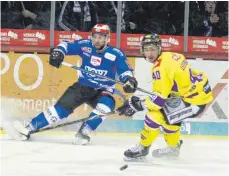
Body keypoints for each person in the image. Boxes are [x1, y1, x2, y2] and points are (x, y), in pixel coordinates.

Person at [14, 24, 138, 145]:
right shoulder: (85, 46)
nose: (97, 40)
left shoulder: (116, 53)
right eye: (95, 36)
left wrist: (128, 80)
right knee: (60, 111)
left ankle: (84, 131)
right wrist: (59, 52)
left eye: (101, 37)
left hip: (103, 91)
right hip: (82, 87)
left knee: (106, 106)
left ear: (107, 38)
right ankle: (30, 127)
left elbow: (125, 70)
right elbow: (66, 45)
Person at [117, 33, 213, 160]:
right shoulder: (172, 56)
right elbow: (173, 85)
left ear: (159, 49)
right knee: (170, 119)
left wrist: (138, 104)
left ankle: (143, 148)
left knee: (154, 115)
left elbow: (158, 102)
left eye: (152, 49)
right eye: (146, 50)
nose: (149, 53)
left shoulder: (159, 68)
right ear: (142, 51)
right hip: (197, 94)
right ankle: (173, 149)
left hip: (193, 102)